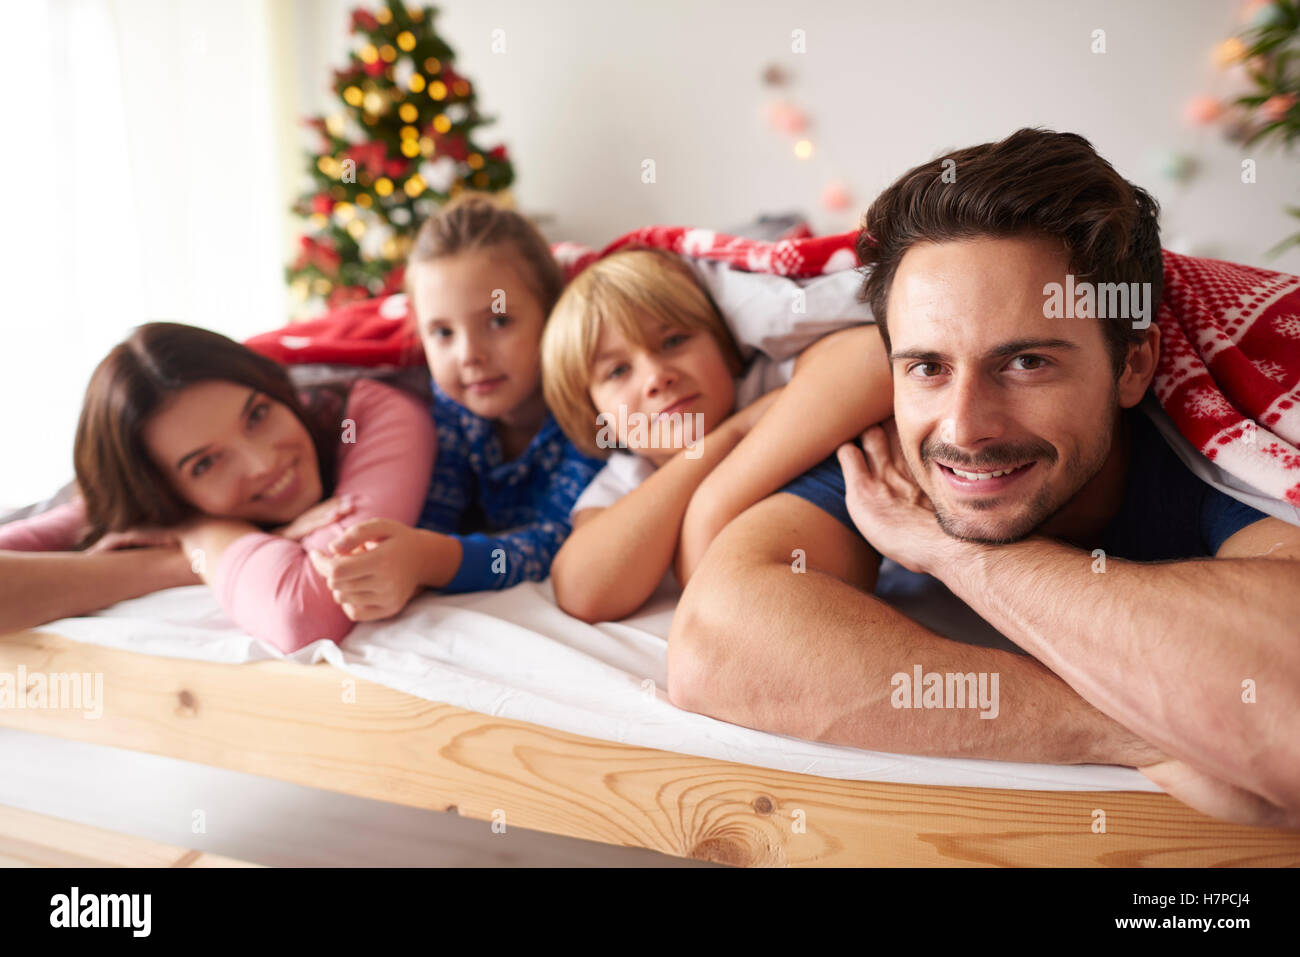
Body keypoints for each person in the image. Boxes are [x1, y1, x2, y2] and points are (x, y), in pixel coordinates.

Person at [667, 128, 1300, 828]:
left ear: (1134, 364)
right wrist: (1144, 727)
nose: (964, 429)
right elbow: (715, 640)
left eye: (1025, 362)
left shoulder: (1211, 450)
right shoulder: (884, 452)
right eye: (928, 366)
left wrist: (951, 550)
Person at [0, 322, 436, 653]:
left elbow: (305, 609)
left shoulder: (363, 417)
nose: (263, 462)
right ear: (160, 495)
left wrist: (197, 537)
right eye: (205, 463)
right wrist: (184, 554)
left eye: (258, 415)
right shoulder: (133, 491)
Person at [543, 246, 889, 622]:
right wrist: (729, 436)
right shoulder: (626, 476)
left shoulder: (759, 384)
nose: (657, 377)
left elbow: (878, 355)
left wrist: (714, 504)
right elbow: (582, 589)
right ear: (595, 415)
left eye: (673, 341)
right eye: (617, 371)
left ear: (725, 348)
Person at [308, 194, 604, 618]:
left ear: (553, 314)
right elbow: (432, 520)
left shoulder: (588, 410)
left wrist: (429, 560)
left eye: (498, 321)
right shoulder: (450, 407)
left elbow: (559, 544)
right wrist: (380, 560)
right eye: (443, 332)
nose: (469, 355)